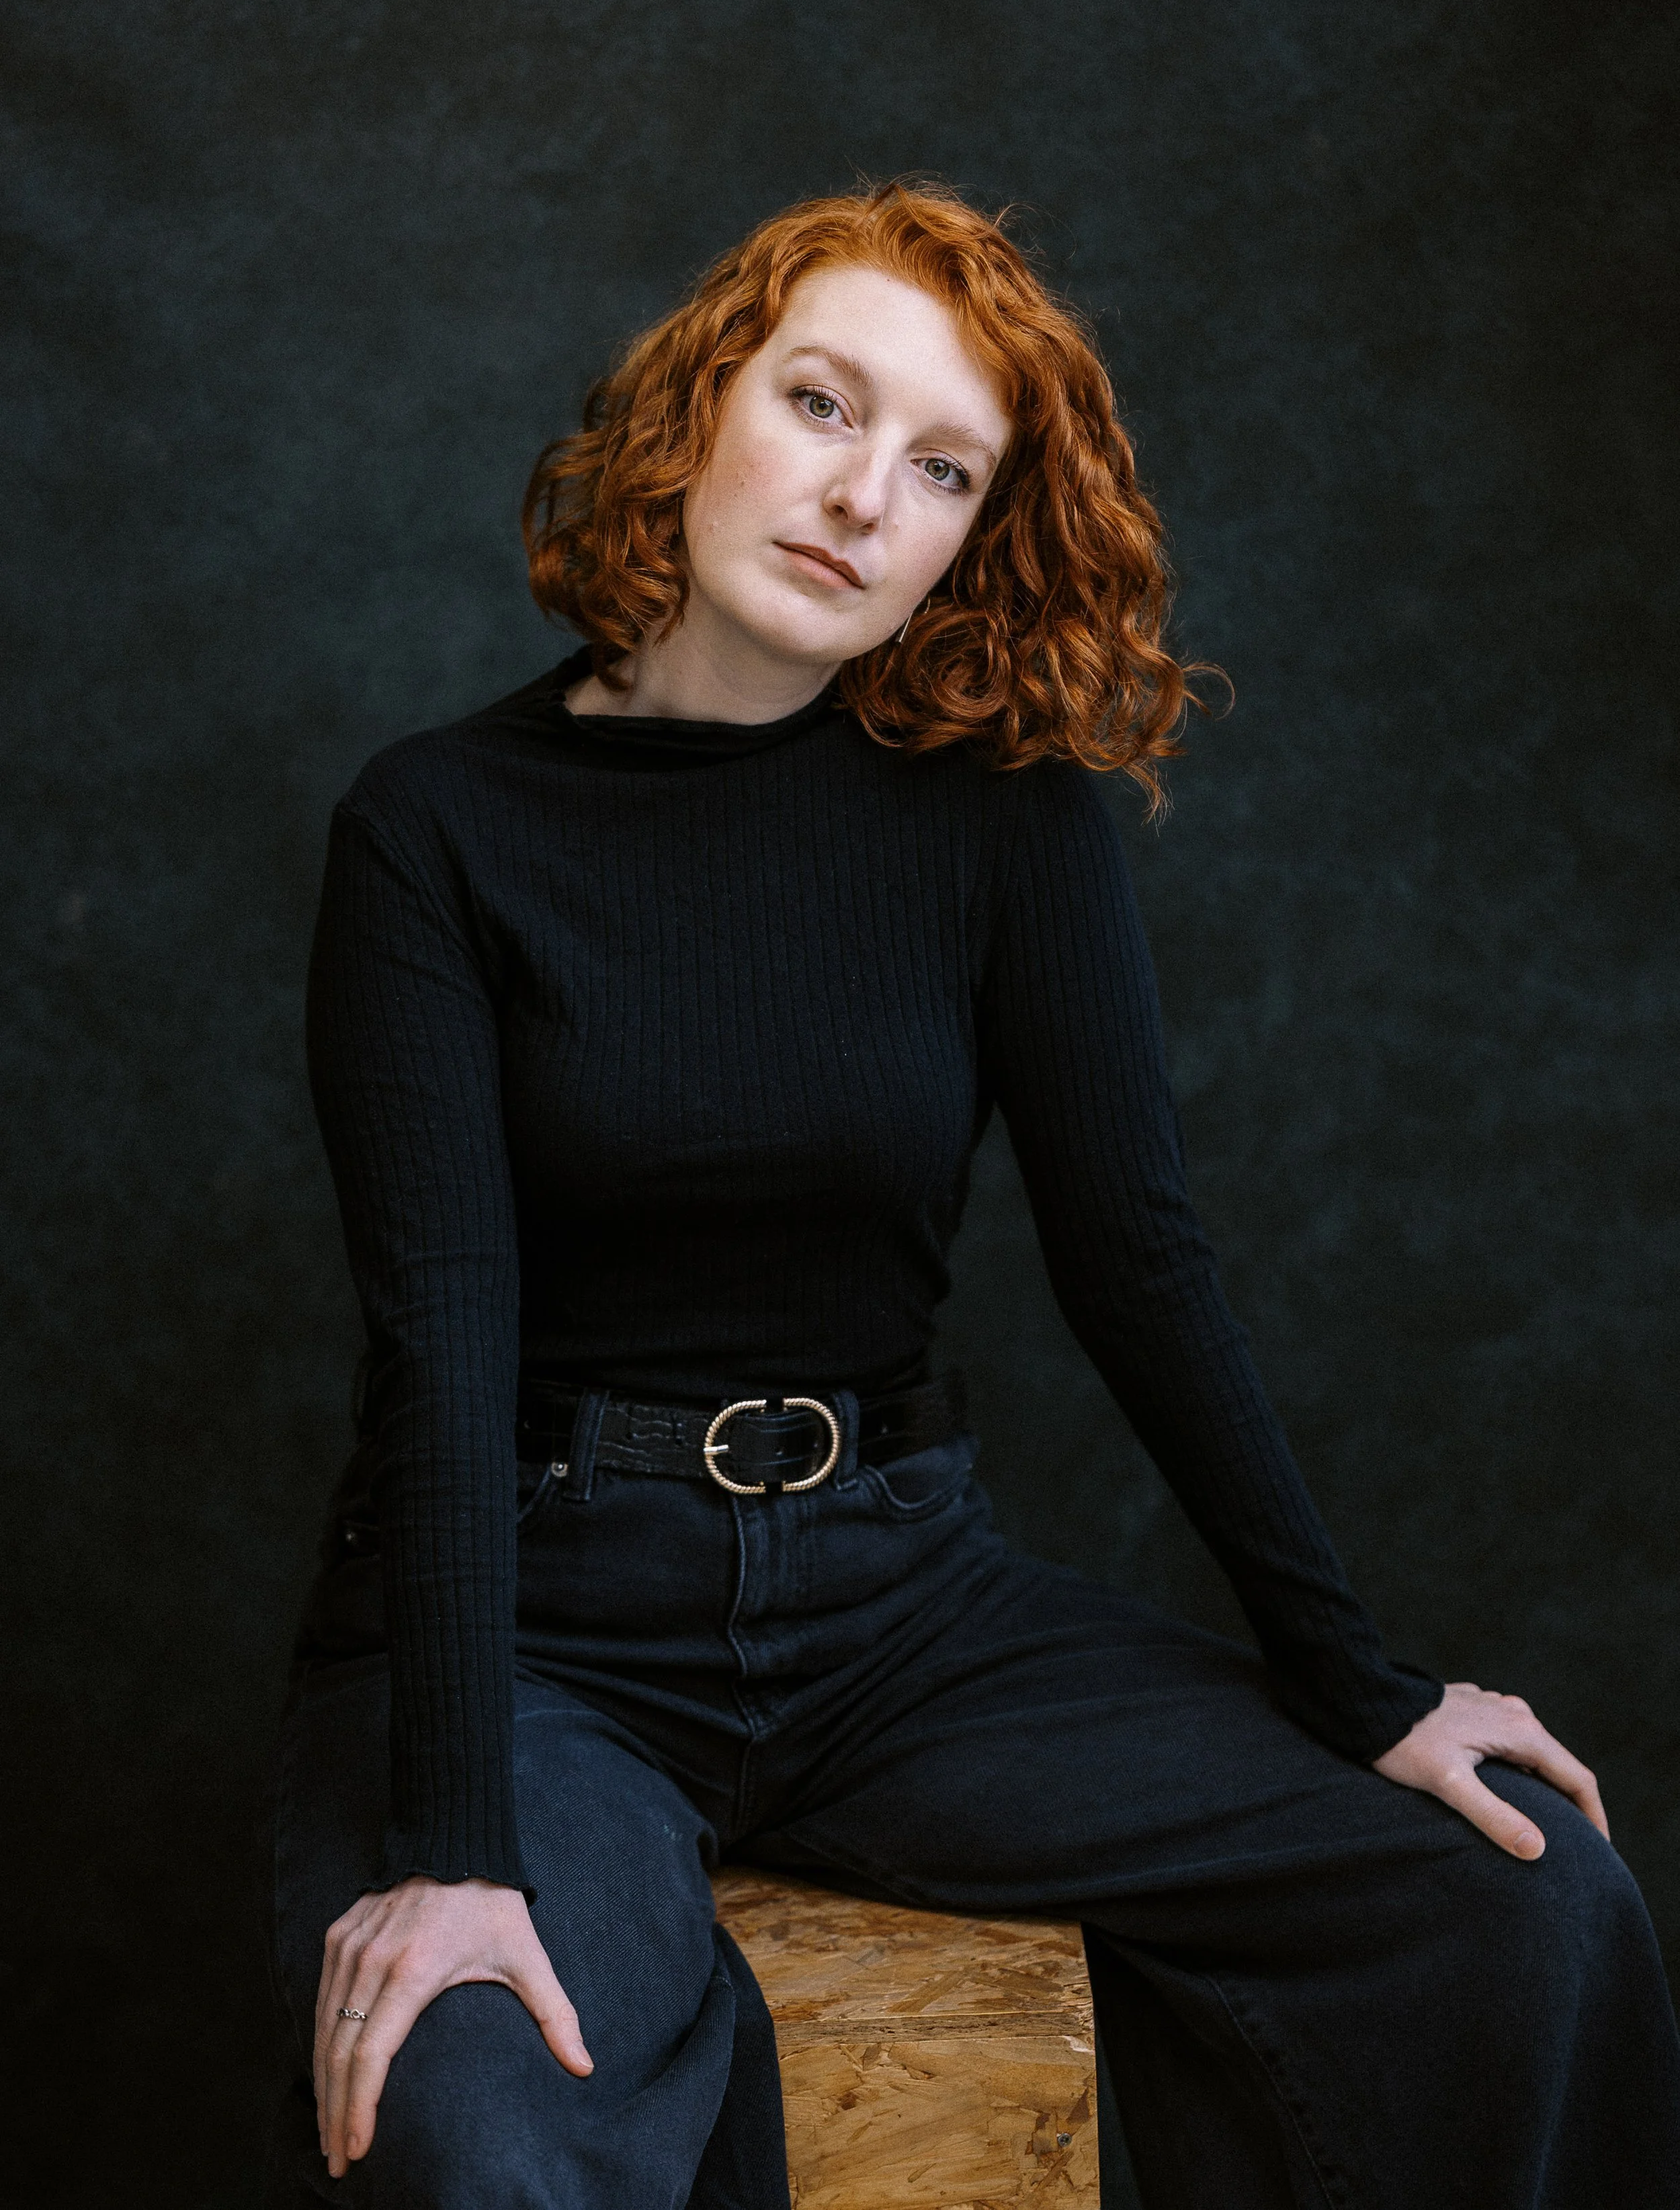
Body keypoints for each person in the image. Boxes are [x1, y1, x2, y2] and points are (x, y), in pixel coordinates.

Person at [264, 180, 1680, 2209]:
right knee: (476, 2115)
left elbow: (1140, 1260)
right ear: (697, 410)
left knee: (1523, 1901)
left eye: (939, 468)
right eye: (823, 407)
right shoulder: (438, 828)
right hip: (544, 1623)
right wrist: (462, 1852)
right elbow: (444, 1336)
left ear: (966, 542)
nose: (862, 496)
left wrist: (1360, 1684)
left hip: (894, 1605)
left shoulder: (1003, 816)